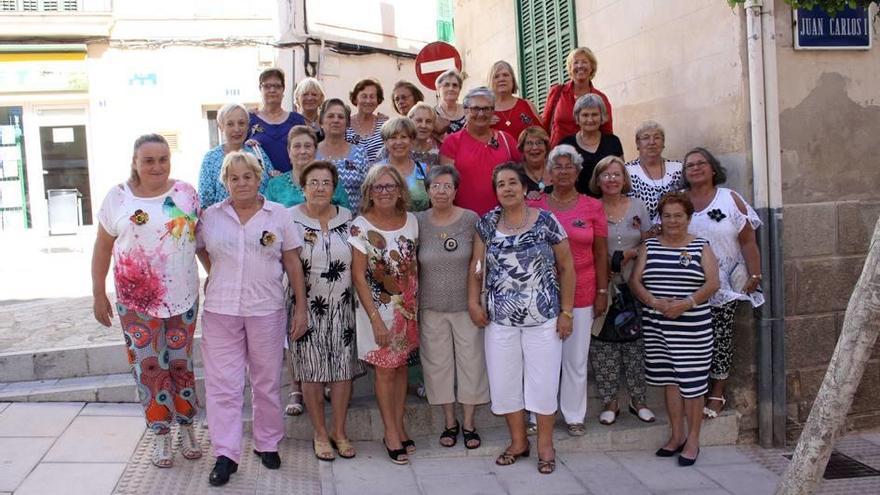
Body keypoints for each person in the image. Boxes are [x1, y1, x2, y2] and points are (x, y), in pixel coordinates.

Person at [196, 151, 308, 486]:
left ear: (259, 179)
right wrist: (216, 274)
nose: (241, 183)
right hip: (221, 311)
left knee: (267, 381)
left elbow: (292, 263)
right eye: (234, 178)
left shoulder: (279, 216)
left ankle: (268, 442)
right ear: (225, 182)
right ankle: (225, 454)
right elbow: (201, 248)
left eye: (247, 177)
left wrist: (300, 307)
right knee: (223, 386)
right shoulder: (210, 217)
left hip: (267, 309)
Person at [92, 134, 202, 468]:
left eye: (163, 159)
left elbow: (201, 240)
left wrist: (214, 274)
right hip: (135, 302)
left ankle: (187, 428)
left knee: (181, 366)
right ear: (135, 162)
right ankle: (160, 435)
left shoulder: (186, 193)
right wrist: (98, 292)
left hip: (183, 298)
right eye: (149, 160)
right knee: (150, 369)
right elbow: (102, 248)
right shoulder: (117, 198)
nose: (157, 166)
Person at [469, 162, 575, 475]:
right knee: (504, 384)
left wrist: (566, 312)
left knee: (542, 384)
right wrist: (474, 302)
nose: (507, 188)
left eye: (513, 182)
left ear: (525, 187)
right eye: (501, 184)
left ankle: (545, 445)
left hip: (543, 318)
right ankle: (518, 442)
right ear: (496, 192)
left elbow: (567, 268)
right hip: (500, 320)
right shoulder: (487, 223)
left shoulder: (546, 220)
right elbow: (476, 267)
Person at [628, 192, 720, 467]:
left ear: (688, 218)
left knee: (692, 386)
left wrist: (686, 303)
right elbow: (635, 282)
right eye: (667, 215)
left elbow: (713, 283)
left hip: (692, 326)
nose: (672, 221)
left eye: (678, 215)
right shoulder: (649, 247)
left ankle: (693, 439)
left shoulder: (701, 246)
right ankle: (676, 435)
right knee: (671, 382)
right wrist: (655, 302)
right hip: (658, 324)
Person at [527, 144, 608, 437]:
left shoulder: (592, 206)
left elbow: (601, 253)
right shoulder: (535, 205)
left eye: (568, 166)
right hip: (543, 293)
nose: (562, 171)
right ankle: (538, 415)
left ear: (578, 171)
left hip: (584, 291)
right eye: (557, 166)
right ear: (549, 172)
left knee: (575, 359)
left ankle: (574, 415)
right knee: (541, 359)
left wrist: (602, 291)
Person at [290, 160, 364, 462]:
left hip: (343, 305)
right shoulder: (289, 219)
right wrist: (300, 310)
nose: (320, 188)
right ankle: (319, 433)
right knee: (311, 370)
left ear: (334, 188)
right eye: (314, 182)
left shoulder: (348, 218)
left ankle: (339, 431)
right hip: (305, 306)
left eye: (326, 183)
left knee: (343, 370)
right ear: (303, 187)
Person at [681, 147, 763, 419]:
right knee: (690, 341)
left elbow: (748, 240)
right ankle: (693, 390)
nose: (695, 168)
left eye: (700, 163)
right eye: (689, 165)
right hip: (686, 283)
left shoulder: (730, 199)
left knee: (720, 338)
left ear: (712, 168)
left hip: (724, 285)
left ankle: (716, 392)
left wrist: (755, 274)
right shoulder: (679, 201)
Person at [348, 165, 420, 465]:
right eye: (378, 187)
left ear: (400, 190)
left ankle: (399, 425)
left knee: (401, 368)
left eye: (390, 186)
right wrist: (376, 319)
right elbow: (360, 277)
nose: (385, 192)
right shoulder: (360, 226)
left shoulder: (413, 221)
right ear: (369, 192)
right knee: (386, 370)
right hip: (375, 311)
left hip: (408, 309)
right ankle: (390, 433)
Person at [416, 165, 489, 450]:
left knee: (472, 364)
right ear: (428, 191)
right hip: (431, 307)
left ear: (456, 190)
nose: (442, 191)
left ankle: (469, 423)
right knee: (437, 366)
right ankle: (450, 422)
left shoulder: (471, 219)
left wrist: (476, 300)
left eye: (447, 186)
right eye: (436, 186)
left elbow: (478, 262)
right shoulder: (418, 221)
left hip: (465, 306)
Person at [589, 155, 655, 425]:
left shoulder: (638, 205)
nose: (612, 179)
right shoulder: (591, 207)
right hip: (604, 286)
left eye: (616, 174)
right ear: (598, 180)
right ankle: (610, 402)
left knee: (635, 344)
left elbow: (650, 241)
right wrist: (609, 264)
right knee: (603, 344)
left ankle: (638, 401)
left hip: (634, 284)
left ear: (624, 178)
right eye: (606, 175)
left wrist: (630, 254)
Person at [439, 87, 522, 215]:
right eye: (475, 109)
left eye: (486, 109)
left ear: (493, 111)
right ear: (465, 110)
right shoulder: (452, 142)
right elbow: (446, 184)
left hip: (505, 220)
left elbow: (523, 173)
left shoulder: (506, 139)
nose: (481, 114)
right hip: (467, 221)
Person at [198, 103, 275, 209]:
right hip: (223, 222)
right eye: (230, 124)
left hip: (258, 220)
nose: (237, 129)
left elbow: (271, 187)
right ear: (221, 126)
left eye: (241, 123)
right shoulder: (210, 159)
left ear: (247, 126)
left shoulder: (257, 152)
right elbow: (205, 201)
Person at [265, 126, 350, 209]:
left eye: (307, 146)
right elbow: (267, 218)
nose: (302, 151)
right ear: (289, 151)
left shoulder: (330, 182)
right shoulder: (275, 185)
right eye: (297, 146)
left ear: (315, 150)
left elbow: (345, 215)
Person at [542, 47, 613, 147]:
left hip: (590, 158)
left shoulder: (601, 98)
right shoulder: (557, 92)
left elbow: (607, 133)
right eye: (575, 62)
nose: (580, 66)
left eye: (584, 62)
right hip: (559, 158)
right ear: (570, 68)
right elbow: (543, 128)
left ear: (591, 67)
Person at [559, 94, 623, 195]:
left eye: (594, 114)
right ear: (577, 117)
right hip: (578, 205)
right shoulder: (566, 145)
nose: (590, 120)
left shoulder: (613, 142)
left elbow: (621, 175)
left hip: (609, 202)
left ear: (602, 116)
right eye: (585, 115)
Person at [316, 98, 370, 212]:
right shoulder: (311, 152)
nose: (336, 120)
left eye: (340, 117)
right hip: (316, 221)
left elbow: (368, 191)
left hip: (353, 222)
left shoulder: (360, 153)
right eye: (330, 116)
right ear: (321, 122)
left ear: (347, 124)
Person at [249, 67, 306, 174]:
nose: (272, 90)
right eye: (267, 86)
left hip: (291, 185)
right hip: (259, 186)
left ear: (283, 89)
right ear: (260, 89)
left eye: (277, 86)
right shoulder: (250, 119)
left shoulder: (296, 120)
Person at [624, 121, 683, 224]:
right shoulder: (626, 172)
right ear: (637, 143)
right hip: (641, 235)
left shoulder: (679, 168)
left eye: (657, 137)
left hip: (677, 231)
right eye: (646, 138)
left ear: (663, 142)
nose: (652, 142)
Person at [378, 117, 429, 212]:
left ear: (412, 140)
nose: (398, 142)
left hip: (419, 225)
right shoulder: (377, 171)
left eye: (404, 137)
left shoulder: (424, 170)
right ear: (385, 142)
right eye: (393, 137)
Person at [488, 60, 542, 143]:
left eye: (506, 75)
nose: (501, 79)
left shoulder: (527, 105)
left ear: (512, 80)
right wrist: (482, 126)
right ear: (491, 82)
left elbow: (544, 136)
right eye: (496, 76)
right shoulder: (484, 111)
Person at [346, 78, 388, 165]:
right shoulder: (345, 124)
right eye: (364, 96)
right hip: (351, 176)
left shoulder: (385, 125)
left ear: (378, 100)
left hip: (379, 176)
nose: (368, 101)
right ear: (355, 99)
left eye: (372, 97)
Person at [518, 126, 553, 199]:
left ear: (546, 147)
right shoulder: (516, 173)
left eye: (539, 143)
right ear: (522, 148)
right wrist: (524, 197)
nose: (534, 147)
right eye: (529, 143)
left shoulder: (557, 168)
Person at [407, 102, 442, 168]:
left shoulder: (437, 155)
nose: (423, 125)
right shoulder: (396, 148)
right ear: (409, 122)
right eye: (419, 120)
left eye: (428, 121)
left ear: (433, 125)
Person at [433, 69, 466, 136]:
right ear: (438, 90)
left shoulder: (468, 112)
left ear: (459, 90)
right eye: (446, 85)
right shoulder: (431, 114)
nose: (451, 88)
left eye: (455, 85)